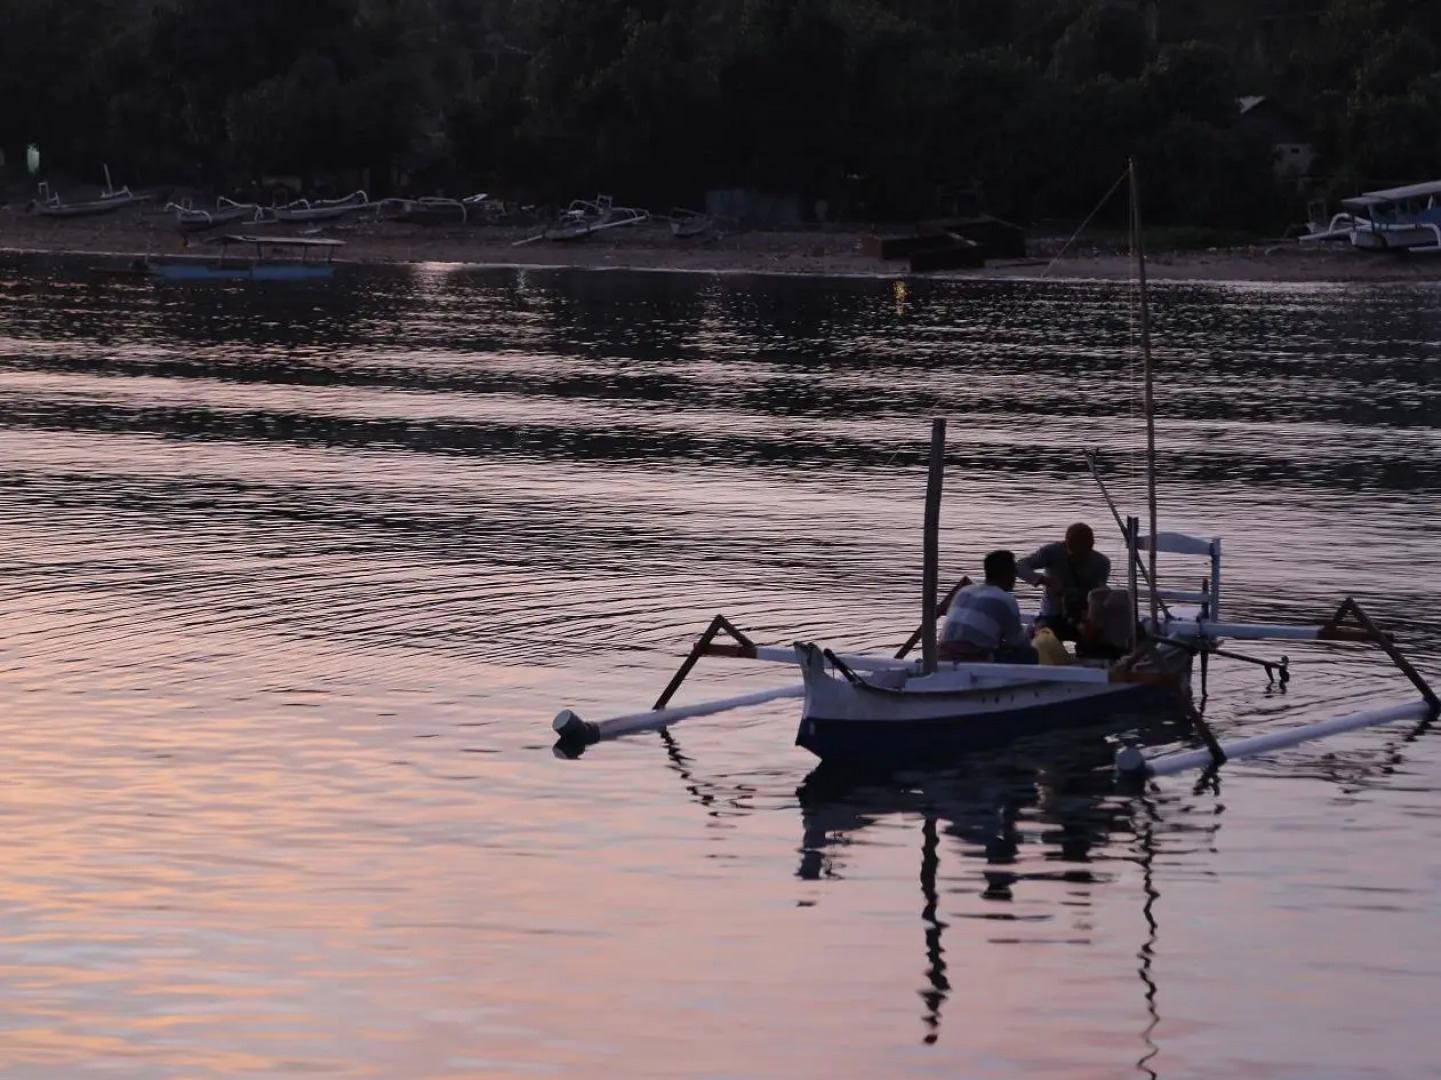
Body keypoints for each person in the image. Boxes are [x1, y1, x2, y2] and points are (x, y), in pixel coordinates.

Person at [939, 550, 1039, 664]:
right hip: (972, 659)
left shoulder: (964, 591)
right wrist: (1030, 633)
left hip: (941, 655)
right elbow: (1019, 643)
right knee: (1030, 654)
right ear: (1009, 574)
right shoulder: (1005, 599)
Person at [1016, 522, 1111, 641]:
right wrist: (1044, 580)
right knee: (1041, 637)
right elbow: (1019, 566)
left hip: (1083, 614)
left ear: (1091, 546)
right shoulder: (1052, 552)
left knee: (1100, 636)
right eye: (1073, 554)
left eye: (1082, 556)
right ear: (1065, 544)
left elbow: (1099, 594)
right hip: (1052, 614)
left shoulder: (1101, 563)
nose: (1078, 559)